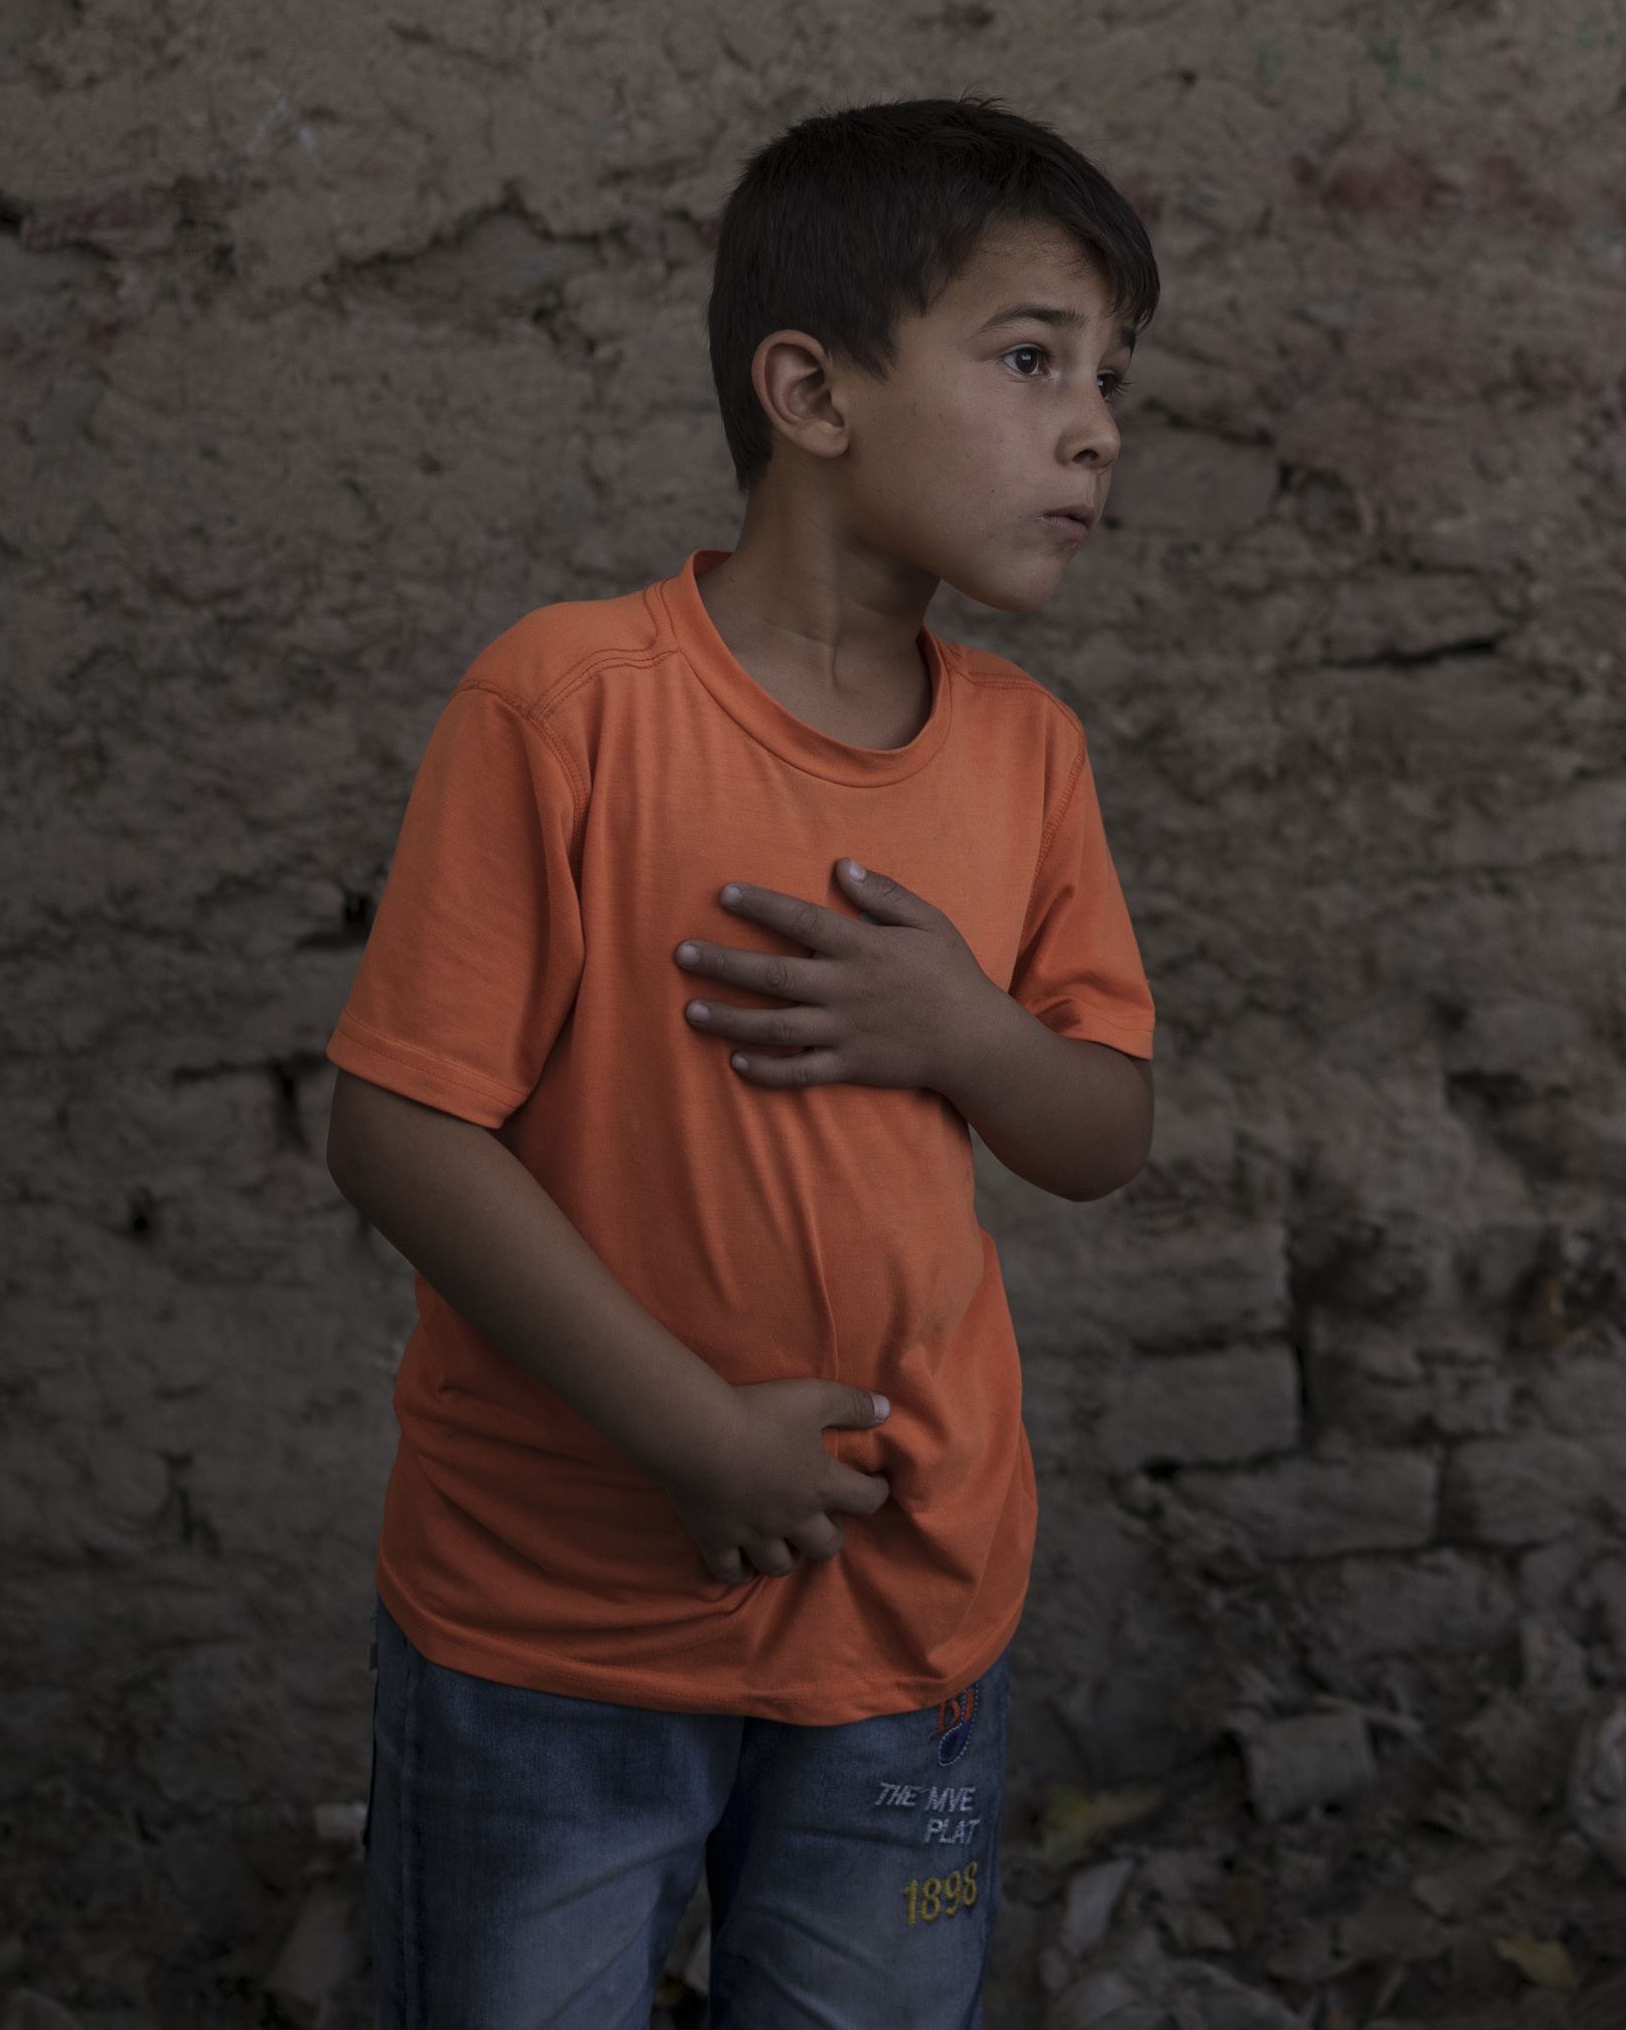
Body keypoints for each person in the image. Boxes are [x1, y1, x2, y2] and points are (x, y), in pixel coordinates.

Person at [324, 98, 1166, 2029]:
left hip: (907, 1613)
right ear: (811, 391)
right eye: (1031, 358)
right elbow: (402, 1124)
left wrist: (969, 1032)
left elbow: (1103, 1127)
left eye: (1111, 376)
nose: (1097, 427)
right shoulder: (569, 707)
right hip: (557, 1619)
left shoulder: (1026, 756)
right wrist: (691, 1432)